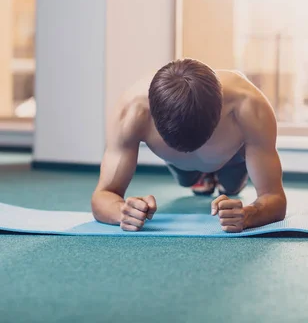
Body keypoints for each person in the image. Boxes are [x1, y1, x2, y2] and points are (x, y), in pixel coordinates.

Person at [91, 59, 287, 233]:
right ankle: (196, 177)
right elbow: (103, 194)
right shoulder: (132, 111)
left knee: (231, 187)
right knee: (187, 179)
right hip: (178, 165)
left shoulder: (250, 105)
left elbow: (274, 197)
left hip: (230, 158)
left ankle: (217, 178)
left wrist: (248, 215)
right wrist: (122, 212)